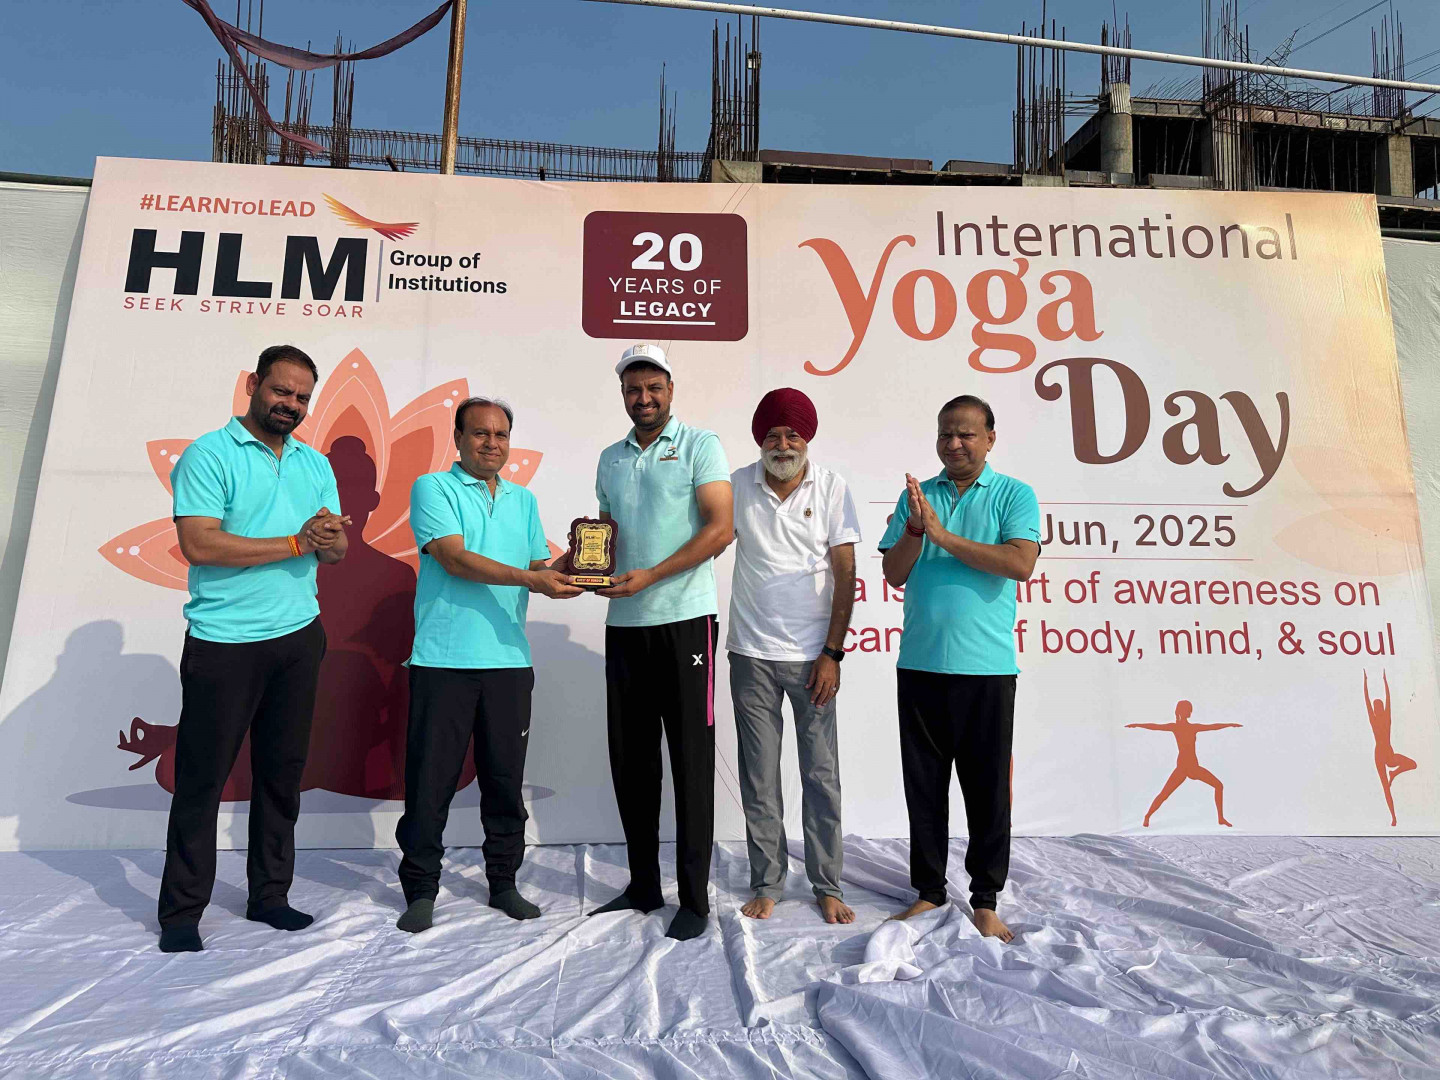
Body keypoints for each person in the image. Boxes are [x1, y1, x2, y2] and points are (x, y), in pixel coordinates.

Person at [158, 344, 350, 953]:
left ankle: (270, 896)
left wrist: (327, 539)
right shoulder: (209, 454)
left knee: (281, 776)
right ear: (252, 384)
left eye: (302, 397)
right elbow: (200, 545)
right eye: (281, 391)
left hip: (299, 637)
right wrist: (297, 542)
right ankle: (181, 913)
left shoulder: (315, 464)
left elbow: (335, 552)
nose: (290, 404)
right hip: (225, 642)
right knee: (201, 780)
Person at [394, 397, 582, 933]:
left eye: (501, 434)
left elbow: (536, 566)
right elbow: (454, 558)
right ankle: (421, 890)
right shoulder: (433, 488)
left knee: (504, 783)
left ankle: (503, 882)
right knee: (430, 785)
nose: (492, 443)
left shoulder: (523, 500)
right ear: (458, 438)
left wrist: (579, 562)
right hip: (443, 661)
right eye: (480, 433)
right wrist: (532, 578)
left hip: (509, 663)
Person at [581, 343, 733, 941]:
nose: (642, 398)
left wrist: (652, 576)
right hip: (625, 624)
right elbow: (605, 537)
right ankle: (643, 884)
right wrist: (577, 568)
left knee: (692, 761)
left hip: (686, 621)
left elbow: (721, 528)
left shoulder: (700, 445)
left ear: (670, 390)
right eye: (632, 389)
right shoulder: (610, 458)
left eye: (653, 388)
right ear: (622, 394)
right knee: (633, 761)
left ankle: (694, 898)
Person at [878, 394, 1040, 943]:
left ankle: (986, 899)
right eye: (945, 433)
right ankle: (928, 890)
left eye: (966, 434)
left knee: (987, 791)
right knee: (924, 788)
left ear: (990, 439)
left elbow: (1020, 563)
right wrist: (916, 530)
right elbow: (894, 574)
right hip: (920, 664)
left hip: (986, 670)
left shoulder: (1014, 494)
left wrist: (943, 536)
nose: (954, 444)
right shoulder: (918, 497)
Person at [728, 388, 860, 925]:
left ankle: (827, 884)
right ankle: (768, 882)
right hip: (750, 653)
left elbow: (846, 574)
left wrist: (832, 653)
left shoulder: (831, 487)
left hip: (813, 659)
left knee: (820, 776)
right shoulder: (737, 485)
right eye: (772, 435)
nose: (782, 444)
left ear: (808, 438)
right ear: (759, 439)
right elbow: (704, 542)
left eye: (792, 434)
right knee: (759, 778)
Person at [1127, 702, 1241, 827]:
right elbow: (1155, 726)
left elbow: (1212, 727)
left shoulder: (1193, 727)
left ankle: (1221, 818)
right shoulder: (1176, 727)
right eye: (1187, 710)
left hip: (1193, 767)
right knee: (1164, 794)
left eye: (1190, 710)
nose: (1189, 712)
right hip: (1182, 768)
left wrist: (1228, 725)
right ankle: (1147, 816)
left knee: (1219, 786)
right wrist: (1138, 725)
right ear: (1181, 712)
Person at [1363, 670, 1416, 827]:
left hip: (1388, 753)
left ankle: (1394, 773)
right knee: (1386, 787)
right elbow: (1368, 700)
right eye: (1376, 707)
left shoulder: (1386, 718)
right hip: (1380, 754)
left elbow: (1387, 698)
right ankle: (1393, 817)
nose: (1376, 708)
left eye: (1377, 706)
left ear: (1379, 709)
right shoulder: (1376, 719)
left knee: (1412, 764)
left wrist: (1383, 681)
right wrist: (1367, 682)